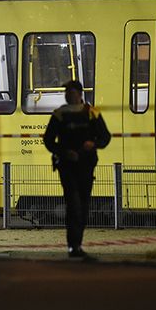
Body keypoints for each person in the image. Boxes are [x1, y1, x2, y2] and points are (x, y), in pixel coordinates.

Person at [44, 80, 111, 259]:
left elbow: (105, 137)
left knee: (83, 206)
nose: (67, 94)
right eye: (66, 91)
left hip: (86, 166)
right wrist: (64, 152)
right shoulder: (60, 114)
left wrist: (93, 144)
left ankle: (76, 244)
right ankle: (73, 246)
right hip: (67, 166)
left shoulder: (91, 113)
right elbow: (48, 140)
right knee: (74, 205)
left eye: (70, 91)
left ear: (79, 94)